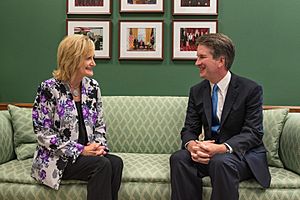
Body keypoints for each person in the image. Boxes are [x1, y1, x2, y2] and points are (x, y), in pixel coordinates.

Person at [170, 33, 271, 200]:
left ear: (221, 61)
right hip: (210, 155)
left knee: (221, 162)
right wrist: (192, 146)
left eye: (202, 57)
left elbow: (253, 133)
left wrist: (221, 148)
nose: (197, 63)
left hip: (241, 156)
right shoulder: (197, 91)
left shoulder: (250, 89)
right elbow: (189, 129)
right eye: (197, 57)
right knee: (179, 158)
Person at [31, 34, 123, 200]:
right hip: (59, 158)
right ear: (73, 59)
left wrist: (98, 146)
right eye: (88, 58)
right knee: (101, 165)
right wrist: (81, 150)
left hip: (86, 155)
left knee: (116, 163)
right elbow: (43, 134)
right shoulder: (49, 88)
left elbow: (100, 125)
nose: (93, 63)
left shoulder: (92, 87)